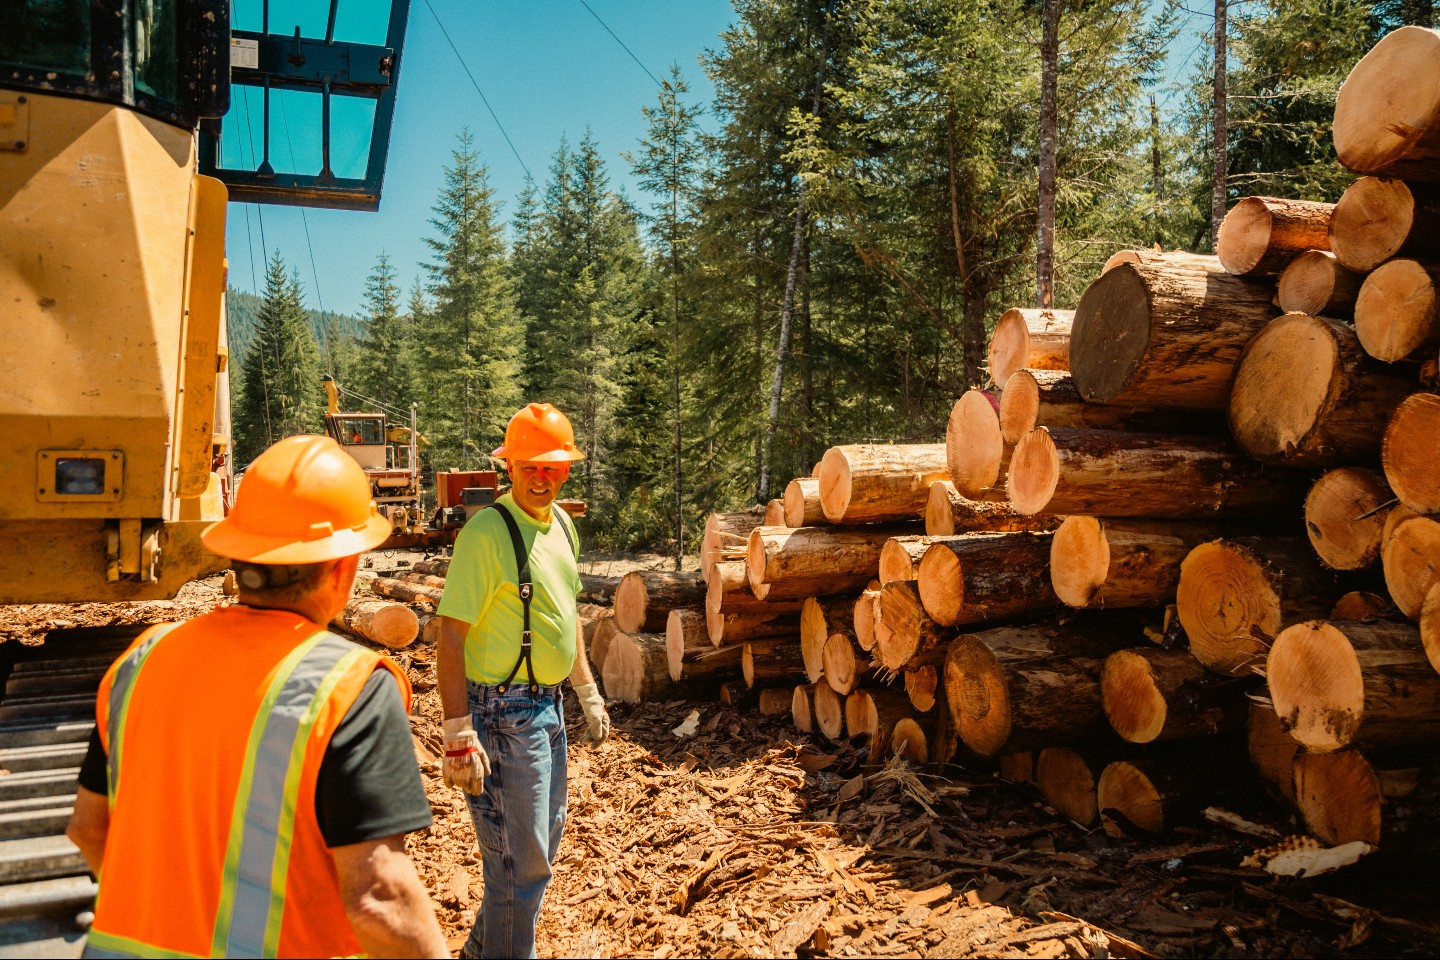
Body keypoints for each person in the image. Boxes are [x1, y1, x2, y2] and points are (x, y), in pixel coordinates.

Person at [65, 435, 447, 959]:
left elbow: (88, 829)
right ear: (343, 567)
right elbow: (380, 900)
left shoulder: (143, 658)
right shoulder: (349, 686)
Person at [435, 402, 610, 960]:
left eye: (551, 467)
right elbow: (450, 636)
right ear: (507, 466)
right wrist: (458, 732)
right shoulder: (487, 533)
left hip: (548, 709)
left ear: (566, 470)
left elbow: (566, 614)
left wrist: (586, 691)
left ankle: (480, 951)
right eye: (529, 466)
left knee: (536, 848)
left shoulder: (561, 524)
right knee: (521, 865)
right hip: (502, 715)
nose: (540, 478)